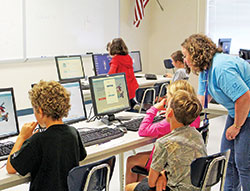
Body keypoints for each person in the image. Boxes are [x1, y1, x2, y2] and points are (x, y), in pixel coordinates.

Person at [181, 33, 250, 191]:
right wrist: (178, 113)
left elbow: (245, 98)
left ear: (196, 53)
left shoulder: (221, 68)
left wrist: (237, 126)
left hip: (246, 111)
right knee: (228, 158)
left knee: (244, 163)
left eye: (186, 55)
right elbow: (201, 100)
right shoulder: (206, 70)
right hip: (237, 111)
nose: (184, 60)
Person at [6, 80, 87, 191]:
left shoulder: (37, 140)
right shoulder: (73, 132)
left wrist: (22, 137)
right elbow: (81, 156)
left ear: (40, 111)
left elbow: (11, 168)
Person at [125, 90, 206, 191]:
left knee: (129, 187)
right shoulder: (197, 135)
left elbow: (151, 182)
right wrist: (163, 174)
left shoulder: (164, 143)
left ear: (170, 113)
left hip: (174, 188)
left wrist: (160, 176)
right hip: (196, 187)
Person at [107, 38, 139, 109]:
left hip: (122, 90)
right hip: (132, 89)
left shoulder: (116, 60)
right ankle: (134, 105)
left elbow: (110, 75)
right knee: (129, 101)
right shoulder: (128, 58)